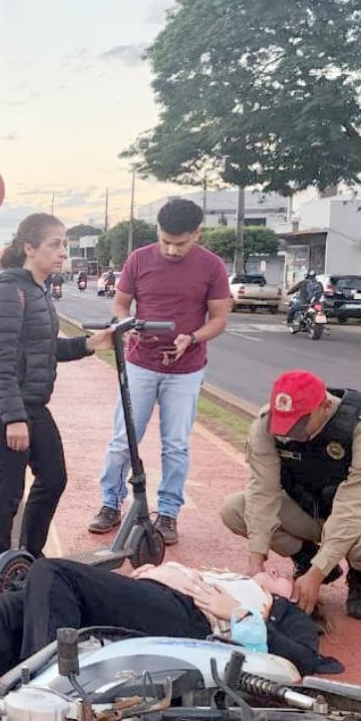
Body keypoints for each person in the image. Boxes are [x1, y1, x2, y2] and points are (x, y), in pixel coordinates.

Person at [0, 557, 332, 686]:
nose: (277, 568)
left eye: (284, 576)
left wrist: (238, 614)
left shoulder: (284, 613)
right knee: (17, 604)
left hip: (186, 620)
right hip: (155, 601)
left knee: (52, 573)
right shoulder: (231, 576)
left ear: (290, 595)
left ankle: (42, 685)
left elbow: (303, 660)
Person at [220, 370, 361, 621]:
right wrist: (255, 561)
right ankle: (306, 557)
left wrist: (317, 574)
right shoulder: (267, 422)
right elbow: (263, 490)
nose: (289, 432)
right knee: (236, 509)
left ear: (324, 407)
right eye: (284, 422)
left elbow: (356, 508)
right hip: (310, 507)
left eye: (299, 423)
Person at [90, 198, 232, 545]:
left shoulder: (212, 267)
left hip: (185, 370)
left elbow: (219, 319)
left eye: (180, 243)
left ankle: (168, 513)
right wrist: (126, 325)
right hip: (140, 363)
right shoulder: (139, 258)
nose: (170, 249)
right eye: (165, 240)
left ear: (197, 234)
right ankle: (110, 504)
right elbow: (121, 302)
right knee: (124, 439)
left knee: (176, 445)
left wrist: (192, 338)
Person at [0, 213, 114, 567]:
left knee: (53, 479)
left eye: (64, 245)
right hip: (4, 406)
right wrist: (14, 419)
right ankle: (1, 568)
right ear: (29, 248)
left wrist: (89, 344)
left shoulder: (36, 290)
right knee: (8, 493)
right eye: (55, 244)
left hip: (34, 404)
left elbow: (45, 349)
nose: (63, 253)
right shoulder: (7, 291)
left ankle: (28, 558)